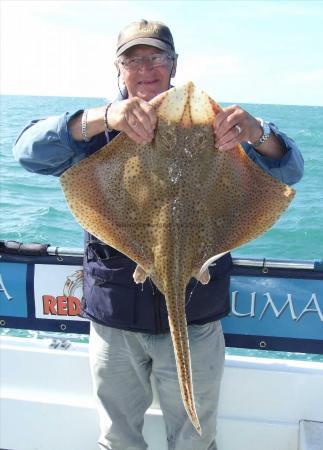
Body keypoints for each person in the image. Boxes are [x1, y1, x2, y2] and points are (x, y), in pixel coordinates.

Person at [13, 19, 304, 450]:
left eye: (156, 58)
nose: (145, 68)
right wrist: (100, 117)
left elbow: (289, 170)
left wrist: (257, 133)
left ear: (173, 65)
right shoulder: (100, 131)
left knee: (194, 441)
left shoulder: (216, 127)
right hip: (116, 322)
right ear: (119, 68)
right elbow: (26, 152)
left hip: (196, 316)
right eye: (133, 59)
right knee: (118, 440)